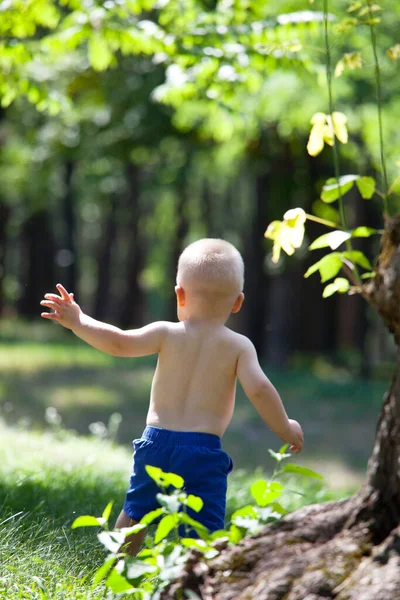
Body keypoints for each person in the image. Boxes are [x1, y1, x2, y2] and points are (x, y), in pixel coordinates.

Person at [40, 238, 303, 555]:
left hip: (156, 445)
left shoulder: (166, 332)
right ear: (237, 303)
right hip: (203, 452)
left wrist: (79, 321)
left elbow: (120, 343)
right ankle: (201, 578)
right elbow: (259, 390)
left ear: (180, 295)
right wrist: (285, 427)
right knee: (205, 529)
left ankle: (120, 570)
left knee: (135, 513)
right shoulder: (239, 346)